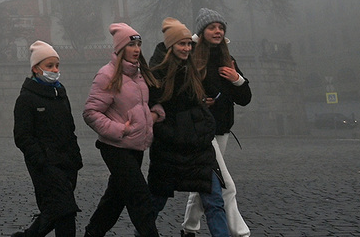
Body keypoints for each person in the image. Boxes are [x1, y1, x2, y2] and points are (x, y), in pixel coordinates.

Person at [147, 18, 229, 237]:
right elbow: (151, 107)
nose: (186, 48)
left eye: (188, 44)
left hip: (198, 146)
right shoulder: (155, 74)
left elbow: (200, 102)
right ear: (170, 46)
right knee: (155, 201)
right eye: (181, 44)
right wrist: (169, 133)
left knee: (214, 201)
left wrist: (206, 126)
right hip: (169, 147)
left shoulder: (192, 67)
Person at [81, 23, 164, 237]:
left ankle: (92, 233)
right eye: (131, 45)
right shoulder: (106, 75)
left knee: (115, 199)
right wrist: (120, 129)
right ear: (120, 48)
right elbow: (90, 112)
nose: (136, 49)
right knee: (139, 197)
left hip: (136, 147)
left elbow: (152, 102)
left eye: (139, 44)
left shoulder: (140, 74)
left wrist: (155, 114)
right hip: (115, 146)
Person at [181, 8, 252, 237]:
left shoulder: (228, 60)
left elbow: (245, 100)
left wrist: (238, 80)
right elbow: (179, 94)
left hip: (222, 131)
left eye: (221, 27)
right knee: (225, 185)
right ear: (202, 32)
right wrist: (200, 100)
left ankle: (189, 229)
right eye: (212, 27)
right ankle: (241, 233)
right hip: (201, 131)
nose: (218, 31)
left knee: (205, 181)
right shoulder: (190, 57)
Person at [12, 40, 83, 237]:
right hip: (45, 166)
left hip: (67, 163)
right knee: (66, 211)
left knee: (57, 211)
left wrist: (75, 157)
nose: (54, 70)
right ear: (36, 68)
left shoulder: (60, 92)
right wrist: (41, 160)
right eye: (49, 66)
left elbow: (70, 128)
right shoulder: (26, 98)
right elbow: (22, 136)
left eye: (57, 65)